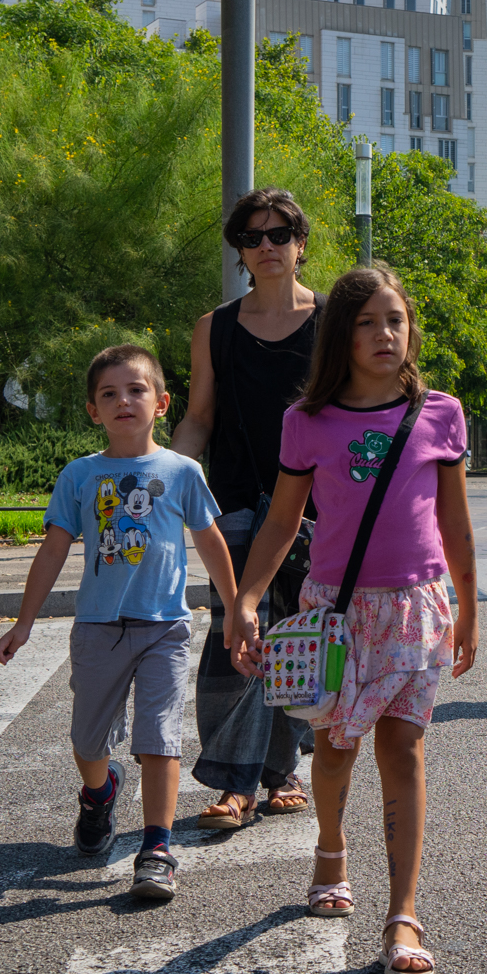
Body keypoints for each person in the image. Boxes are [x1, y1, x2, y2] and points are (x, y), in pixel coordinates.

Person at [230, 264, 479, 974]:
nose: (384, 333)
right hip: (336, 614)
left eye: (395, 319)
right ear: (341, 335)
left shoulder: (441, 412)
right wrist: (247, 599)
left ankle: (402, 913)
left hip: (418, 609)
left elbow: (455, 522)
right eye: (367, 322)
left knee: (402, 750)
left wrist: (470, 605)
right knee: (334, 751)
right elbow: (282, 519)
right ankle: (331, 848)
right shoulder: (306, 420)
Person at [0, 345, 236, 901]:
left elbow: (210, 541)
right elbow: (53, 549)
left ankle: (156, 847)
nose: (123, 401)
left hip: (165, 628)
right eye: (109, 394)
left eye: (136, 390)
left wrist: (236, 610)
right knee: (87, 740)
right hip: (98, 627)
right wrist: (24, 623)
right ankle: (100, 794)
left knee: (160, 739)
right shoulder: (79, 476)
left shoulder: (181, 471)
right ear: (92, 410)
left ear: (162, 403)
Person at [170, 187, 317, 832]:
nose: (266, 247)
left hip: (318, 505)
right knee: (236, 631)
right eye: (252, 238)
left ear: (299, 244)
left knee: (295, 634)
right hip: (233, 500)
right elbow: (199, 417)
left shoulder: (335, 320)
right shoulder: (217, 327)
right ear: (240, 251)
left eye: (279, 234)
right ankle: (234, 783)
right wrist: (169, 475)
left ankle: (281, 771)